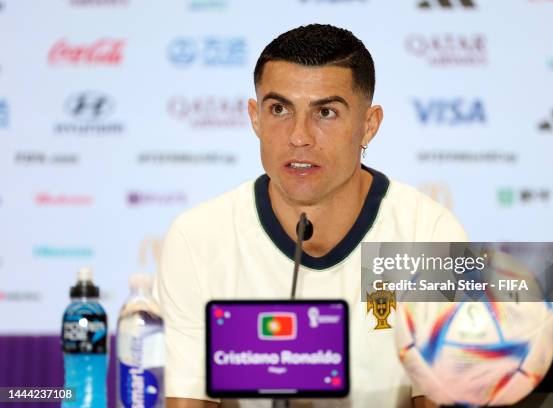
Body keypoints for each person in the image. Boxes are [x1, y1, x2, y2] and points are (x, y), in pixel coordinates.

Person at [155, 24, 467, 408]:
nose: (299, 136)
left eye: (326, 112)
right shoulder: (198, 238)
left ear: (369, 125)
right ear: (255, 118)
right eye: (279, 109)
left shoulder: (428, 234)